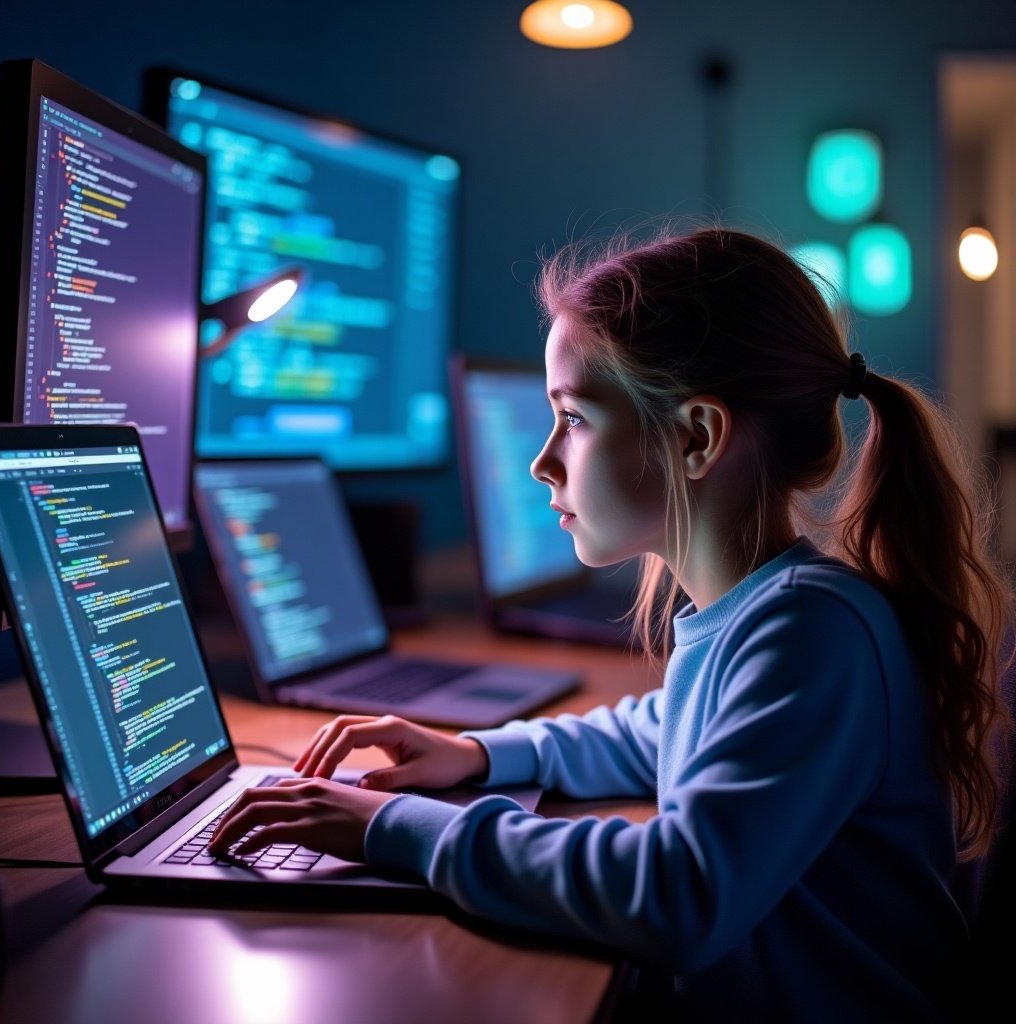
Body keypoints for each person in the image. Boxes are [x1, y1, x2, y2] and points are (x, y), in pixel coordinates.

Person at [209, 226, 1014, 1021]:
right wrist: (478, 753)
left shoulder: (810, 635)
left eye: (575, 418)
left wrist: (398, 828)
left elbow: (675, 894)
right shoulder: (767, 615)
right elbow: (660, 731)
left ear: (696, 438)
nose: (542, 459)